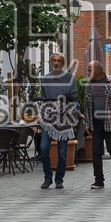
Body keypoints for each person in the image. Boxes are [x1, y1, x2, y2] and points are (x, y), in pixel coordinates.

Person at [82, 61, 111, 188]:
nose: (87, 73)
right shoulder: (89, 85)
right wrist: (87, 123)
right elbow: (87, 107)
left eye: (89, 70)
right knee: (96, 152)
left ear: (98, 71)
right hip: (96, 124)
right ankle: (99, 180)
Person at [37, 53, 78, 190]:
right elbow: (43, 96)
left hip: (64, 118)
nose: (56, 63)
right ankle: (48, 178)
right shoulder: (44, 79)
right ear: (50, 62)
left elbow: (74, 96)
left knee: (62, 152)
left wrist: (66, 99)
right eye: (54, 60)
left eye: (59, 61)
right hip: (48, 119)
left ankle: (59, 179)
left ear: (63, 63)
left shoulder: (70, 78)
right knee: (44, 148)